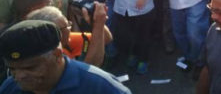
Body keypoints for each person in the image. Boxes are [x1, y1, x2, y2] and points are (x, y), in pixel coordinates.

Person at [0, 20, 131, 93]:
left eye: (31, 67)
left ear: (57, 55)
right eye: (12, 69)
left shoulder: (102, 88)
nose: (20, 76)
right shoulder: (10, 88)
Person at [27, 4, 112, 67]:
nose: (70, 28)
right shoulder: (49, 55)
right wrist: (98, 24)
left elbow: (106, 39)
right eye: (67, 26)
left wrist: (93, 21)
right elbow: (91, 66)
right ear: (54, 32)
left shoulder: (66, 39)